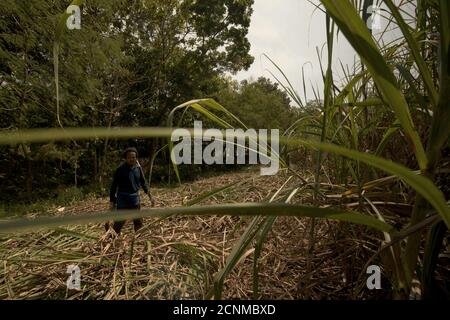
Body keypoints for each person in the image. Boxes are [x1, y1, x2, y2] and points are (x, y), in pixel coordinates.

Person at [108, 147, 155, 234]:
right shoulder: (120, 170)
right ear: (125, 158)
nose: (131, 159)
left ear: (136, 158)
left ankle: (138, 238)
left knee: (138, 221)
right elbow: (114, 186)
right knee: (120, 221)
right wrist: (112, 201)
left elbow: (144, 183)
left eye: (133, 157)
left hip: (134, 198)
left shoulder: (138, 168)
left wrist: (150, 197)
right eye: (129, 157)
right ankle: (112, 238)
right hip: (123, 198)